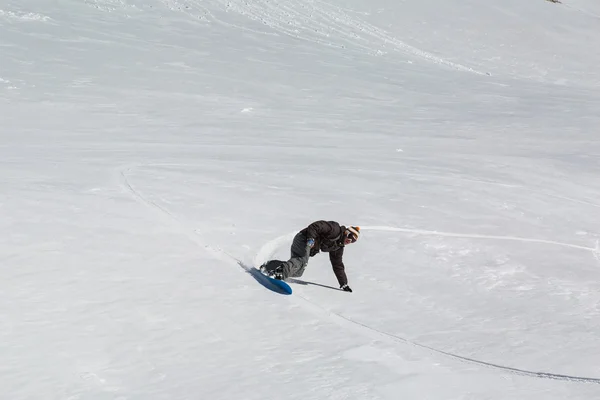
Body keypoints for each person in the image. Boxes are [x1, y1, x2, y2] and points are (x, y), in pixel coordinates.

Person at [260, 221, 360, 292]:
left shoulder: (338, 247)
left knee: (299, 271)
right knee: (301, 261)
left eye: (354, 241)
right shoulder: (335, 229)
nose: (350, 241)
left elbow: (337, 265)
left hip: (308, 245)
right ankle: (279, 273)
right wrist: (311, 238)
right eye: (350, 237)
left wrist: (344, 283)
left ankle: (270, 266)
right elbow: (316, 226)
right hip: (304, 239)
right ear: (347, 233)